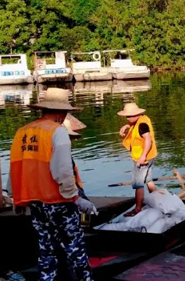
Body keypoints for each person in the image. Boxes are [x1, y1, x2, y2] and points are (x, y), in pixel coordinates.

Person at [9, 88, 97, 281]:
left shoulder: (22, 132)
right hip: (59, 201)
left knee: (46, 250)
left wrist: (16, 198)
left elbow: (15, 166)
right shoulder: (58, 132)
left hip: (35, 203)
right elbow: (63, 171)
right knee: (75, 250)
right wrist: (76, 198)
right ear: (62, 113)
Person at [118, 102, 157, 215]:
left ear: (136, 114)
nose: (127, 118)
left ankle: (138, 208)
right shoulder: (142, 119)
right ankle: (157, 200)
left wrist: (142, 156)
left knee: (138, 183)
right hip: (150, 156)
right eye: (126, 116)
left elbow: (148, 139)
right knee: (148, 180)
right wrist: (127, 126)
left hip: (143, 159)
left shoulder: (142, 125)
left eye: (129, 116)